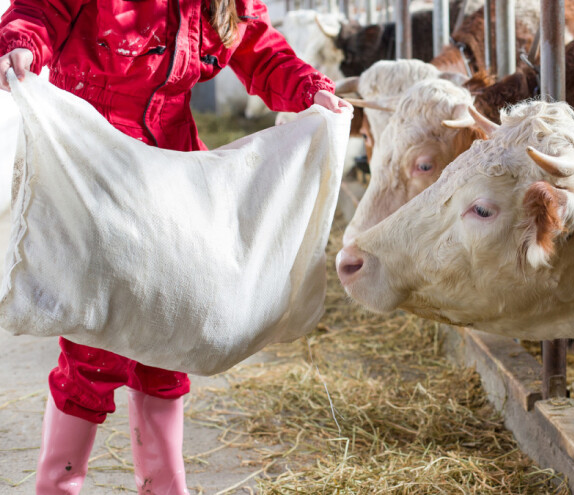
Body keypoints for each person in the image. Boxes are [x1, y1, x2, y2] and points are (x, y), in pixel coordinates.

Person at [0, 0, 351, 493]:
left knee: (170, 335)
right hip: (96, 184)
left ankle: (164, 485)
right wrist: (20, 42)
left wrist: (308, 88)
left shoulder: (218, 4)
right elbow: (39, 10)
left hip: (172, 186)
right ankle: (58, 485)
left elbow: (256, 47)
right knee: (94, 349)